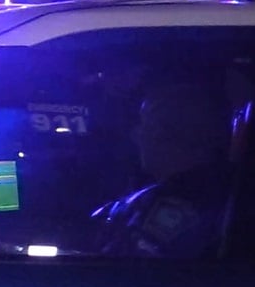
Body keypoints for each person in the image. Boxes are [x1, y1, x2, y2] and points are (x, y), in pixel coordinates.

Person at [93, 77, 237, 258]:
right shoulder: (223, 191)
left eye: (147, 125)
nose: (136, 135)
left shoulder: (177, 205)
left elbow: (131, 268)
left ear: (174, 134)